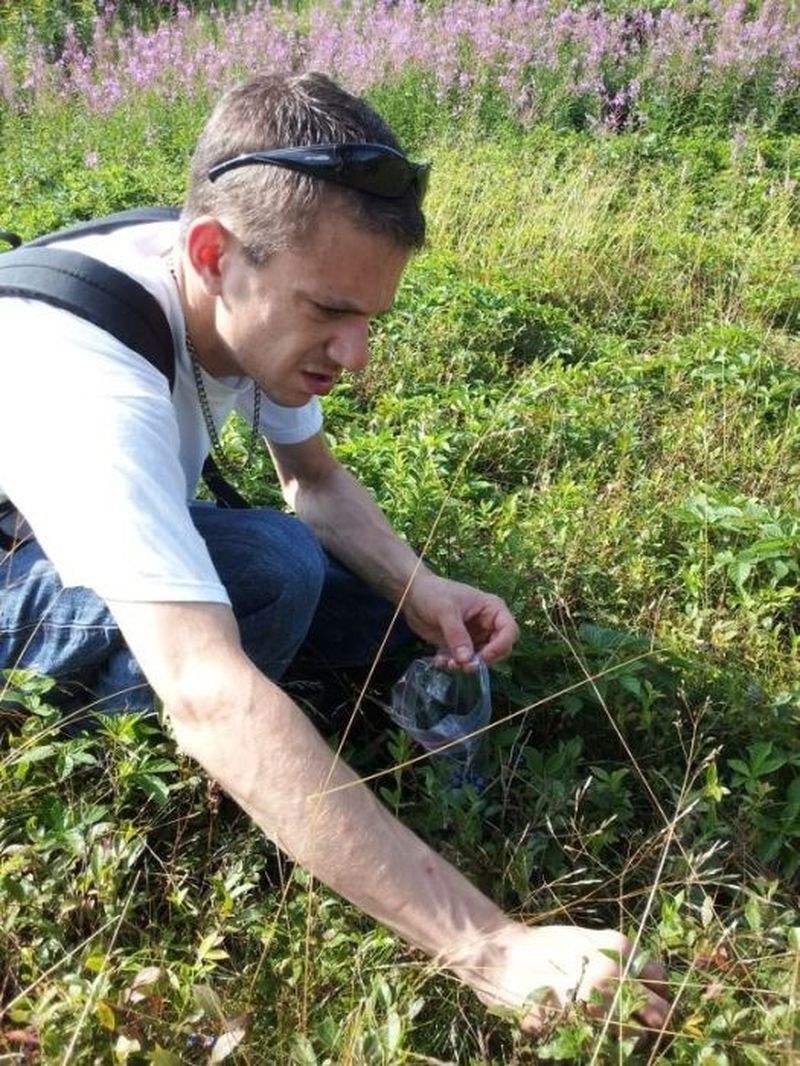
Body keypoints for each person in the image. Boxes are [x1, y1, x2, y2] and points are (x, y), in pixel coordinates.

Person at [0, 71, 670, 1035]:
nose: (353, 355)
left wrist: (422, 587)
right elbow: (208, 693)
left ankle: (312, 771)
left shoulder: (230, 288)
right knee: (274, 573)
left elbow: (311, 480)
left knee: (372, 611)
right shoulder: (90, 380)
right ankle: (114, 771)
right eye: (329, 313)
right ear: (212, 252)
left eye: (368, 318)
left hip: (65, 527)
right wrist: (491, 946)